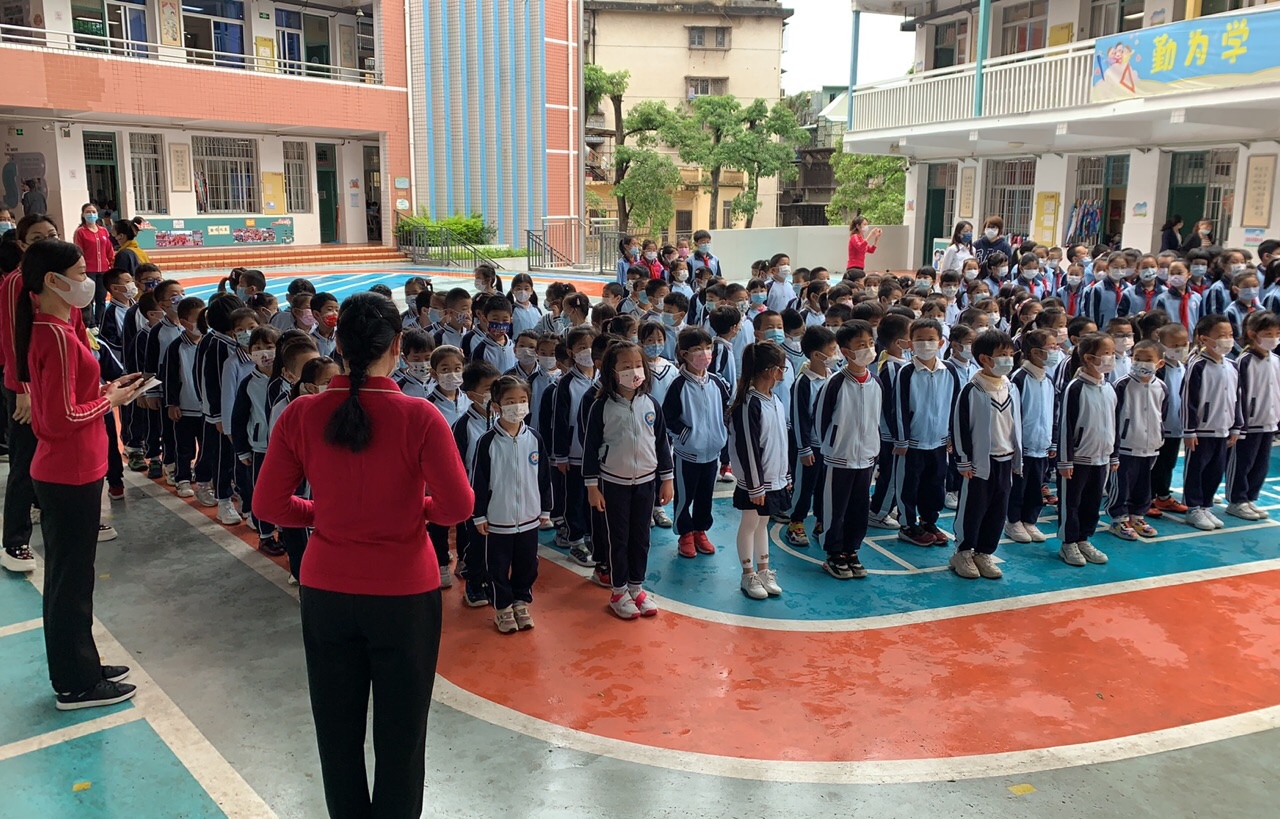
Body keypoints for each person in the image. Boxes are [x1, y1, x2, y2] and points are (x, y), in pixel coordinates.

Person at [254, 292, 474, 819]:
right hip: (404, 594)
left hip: (327, 589)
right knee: (402, 737)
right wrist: (414, 509)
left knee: (336, 733)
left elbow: (269, 505)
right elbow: (457, 506)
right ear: (397, 345)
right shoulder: (420, 416)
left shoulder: (301, 412)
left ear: (338, 345)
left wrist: (323, 514)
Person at [14, 238, 145, 705]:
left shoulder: (58, 327)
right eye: (81, 272)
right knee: (70, 583)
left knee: (72, 579)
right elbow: (60, 418)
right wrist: (110, 402)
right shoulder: (53, 334)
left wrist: (108, 388)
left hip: (73, 469)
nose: (89, 280)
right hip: (68, 472)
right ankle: (76, 682)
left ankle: (81, 663)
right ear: (53, 280)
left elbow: (69, 398)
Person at [582, 340, 673, 619]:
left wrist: (667, 479)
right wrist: (592, 487)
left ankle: (636, 586)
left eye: (637, 365)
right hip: (614, 484)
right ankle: (618, 591)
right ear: (612, 371)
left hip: (646, 482)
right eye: (625, 366)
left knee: (641, 538)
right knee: (618, 539)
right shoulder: (601, 406)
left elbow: (661, 443)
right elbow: (590, 448)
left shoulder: (651, 404)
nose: (633, 371)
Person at [471, 375, 552, 633]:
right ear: (496, 406)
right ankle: (503, 607)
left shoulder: (535, 438)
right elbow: (478, 481)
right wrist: (479, 515)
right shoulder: (487, 442)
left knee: (527, 564)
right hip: (498, 519)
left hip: (529, 517)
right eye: (510, 401)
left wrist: (545, 508)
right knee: (497, 565)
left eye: (522, 400)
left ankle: (520, 601)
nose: (517, 406)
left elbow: (544, 477)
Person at [950, 330, 1021, 580]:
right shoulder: (973, 390)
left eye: (1010, 353)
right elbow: (959, 427)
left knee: (997, 510)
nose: (1008, 359)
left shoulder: (1011, 387)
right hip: (980, 463)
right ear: (984, 358)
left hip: (1005, 459)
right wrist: (963, 460)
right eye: (1002, 354)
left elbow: (1016, 425)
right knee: (973, 508)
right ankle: (963, 551)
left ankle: (984, 552)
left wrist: (1017, 458)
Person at [815, 321, 881, 580]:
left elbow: (876, 419)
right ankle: (833, 553)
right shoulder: (835, 383)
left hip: (866, 459)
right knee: (835, 509)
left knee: (859, 508)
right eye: (861, 345)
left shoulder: (875, 382)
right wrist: (832, 445)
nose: (868, 349)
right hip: (839, 458)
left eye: (870, 343)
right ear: (846, 351)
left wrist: (874, 448)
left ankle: (851, 550)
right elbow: (821, 419)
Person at [728, 342, 789, 601]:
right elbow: (748, 448)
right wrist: (755, 485)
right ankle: (748, 574)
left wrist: (785, 475)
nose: (784, 372)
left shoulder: (775, 400)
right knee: (750, 523)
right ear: (770, 370)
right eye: (782, 367)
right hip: (755, 482)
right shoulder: (749, 404)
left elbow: (782, 441)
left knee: (763, 522)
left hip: (773, 478)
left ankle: (764, 570)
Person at [892, 318, 960, 547]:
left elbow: (955, 405)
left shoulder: (949, 370)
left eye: (930, 339)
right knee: (909, 485)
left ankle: (929, 521)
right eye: (919, 339)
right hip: (913, 442)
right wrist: (902, 440)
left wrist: (952, 435)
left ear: (941, 342)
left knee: (935, 484)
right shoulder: (906, 372)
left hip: (939, 441)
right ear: (910, 344)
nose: (925, 344)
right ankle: (908, 525)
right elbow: (899, 407)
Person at [662, 327, 730, 558]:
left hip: (712, 455)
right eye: (698, 349)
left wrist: (722, 436)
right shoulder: (678, 385)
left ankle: (700, 530)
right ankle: (685, 534)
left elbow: (726, 411)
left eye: (708, 348)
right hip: (687, 454)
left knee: (705, 496)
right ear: (684, 354)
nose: (705, 353)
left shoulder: (717, 383)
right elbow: (667, 418)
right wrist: (686, 436)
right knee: (684, 496)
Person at [1056, 332, 1116, 567]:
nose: (1111, 358)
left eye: (1112, 353)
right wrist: (1065, 460)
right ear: (1089, 358)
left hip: (1101, 457)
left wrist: (1114, 454)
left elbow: (1114, 422)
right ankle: (1068, 542)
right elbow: (1066, 425)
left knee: (1092, 502)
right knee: (1071, 502)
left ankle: (1083, 539)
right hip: (1078, 458)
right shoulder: (1076, 388)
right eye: (1106, 353)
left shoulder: (1109, 388)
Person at [1181, 314, 1242, 530]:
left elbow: (1237, 397)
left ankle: (1206, 505)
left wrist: (1236, 426)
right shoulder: (1197, 365)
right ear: (1204, 339)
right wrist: (1189, 430)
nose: (1227, 340)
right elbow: (1188, 399)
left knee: (1216, 470)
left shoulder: (1232, 365)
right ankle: (1193, 508)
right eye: (1221, 335)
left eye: (1230, 335)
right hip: (1202, 430)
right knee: (1197, 469)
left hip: (1223, 428)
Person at [1106, 341, 1168, 541]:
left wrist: (1158, 436)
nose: (1142, 363)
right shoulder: (1122, 385)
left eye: (1148, 359)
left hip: (1150, 446)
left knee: (1143, 484)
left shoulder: (1161, 387)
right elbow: (1113, 416)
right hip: (1126, 445)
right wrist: (1114, 445)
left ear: (1160, 363)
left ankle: (1137, 516)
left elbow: (1162, 413)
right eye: (1138, 358)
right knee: (1121, 483)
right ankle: (1118, 518)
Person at [232, 325, 283, 554]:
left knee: (285, 490)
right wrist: (242, 449)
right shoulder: (248, 383)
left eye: (269, 346)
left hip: (285, 449)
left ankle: (285, 530)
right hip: (260, 448)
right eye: (257, 348)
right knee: (261, 492)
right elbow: (239, 418)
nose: (263, 352)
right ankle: (265, 535)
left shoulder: (287, 380)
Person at [785, 325, 837, 547]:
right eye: (832, 350)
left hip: (829, 446)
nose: (836, 354)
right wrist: (803, 448)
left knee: (825, 487)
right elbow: (799, 418)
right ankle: (795, 522)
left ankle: (820, 521)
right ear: (817, 355)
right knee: (804, 487)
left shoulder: (833, 378)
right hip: (810, 447)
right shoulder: (803, 383)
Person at [1225, 311, 1280, 520]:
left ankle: (1249, 497)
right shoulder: (1245, 361)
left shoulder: (1276, 360)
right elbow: (1239, 394)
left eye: (1277, 333)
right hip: (1249, 423)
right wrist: (1239, 423)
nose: (1273, 338)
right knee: (1242, 462)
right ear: (1252, 333)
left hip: (1269, 421)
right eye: (1268, 333)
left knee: (1261, 464)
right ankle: (1237, 499)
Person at [1004, 328, 1057, 544]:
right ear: (1035, 352)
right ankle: (1013, 521)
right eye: (1051, 347)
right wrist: (1014, 444)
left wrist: (1052, 441)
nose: (1056, 351)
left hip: (1041, 444)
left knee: (1036, 485)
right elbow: (1012, 414)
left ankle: (1030, 520)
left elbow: (1052, 412)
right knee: (1019, 485)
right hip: (1022, 445)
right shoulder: (1019, 378)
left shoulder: (1048, 380)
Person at [72, 203, 114, 327]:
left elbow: (109, 249)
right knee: (88, 298)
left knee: (101, 297)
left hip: (104, 269)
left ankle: (100, 322)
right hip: (88, 270)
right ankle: (90, 323)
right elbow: (78, 251)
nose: (91, 214)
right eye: (88, 212)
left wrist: (112, 264)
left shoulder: (103, 231)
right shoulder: (80, 232)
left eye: (93, 212)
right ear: (83, 215)